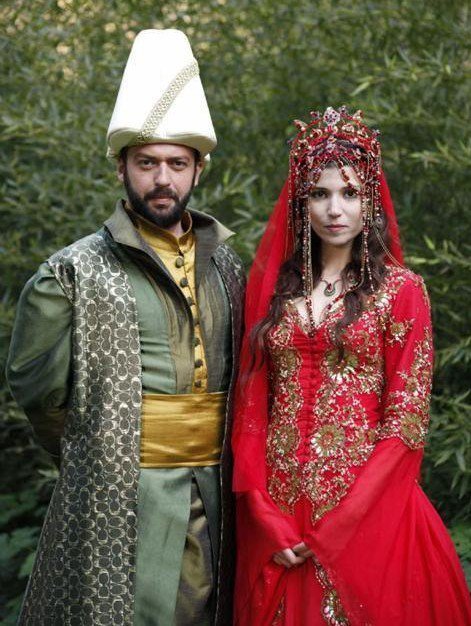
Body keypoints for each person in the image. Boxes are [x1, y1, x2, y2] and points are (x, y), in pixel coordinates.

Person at [7, 29, 245, 626]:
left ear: (199, 169)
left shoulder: (229, 265)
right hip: (117, 498)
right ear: (121, 167)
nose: (163, 178)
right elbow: (40, 397)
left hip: (223, 492)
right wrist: (104, 452)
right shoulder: (70, 272)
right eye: (147, 163)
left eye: (177, 163)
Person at [232, 106, 471, 625]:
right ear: (302, 203)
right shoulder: (274, 292)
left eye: (349, 193)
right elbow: (251, 408)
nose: (334, 209)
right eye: (319, 194)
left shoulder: (402, 291)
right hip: (278, 516)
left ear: (371, 201)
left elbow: (406, 422)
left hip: (367, 510)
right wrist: (259, 508)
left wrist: (344, 521)